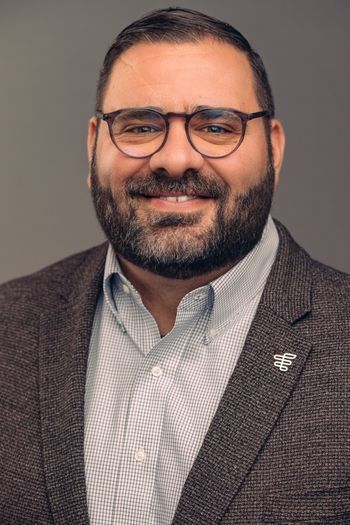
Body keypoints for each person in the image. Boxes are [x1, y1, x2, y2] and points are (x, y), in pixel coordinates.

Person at [0, 6, 349, 525]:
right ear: (93, 145)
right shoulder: (10, 323)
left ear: (273, 149)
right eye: (140, 126)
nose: (176, 159)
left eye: (215, 127)